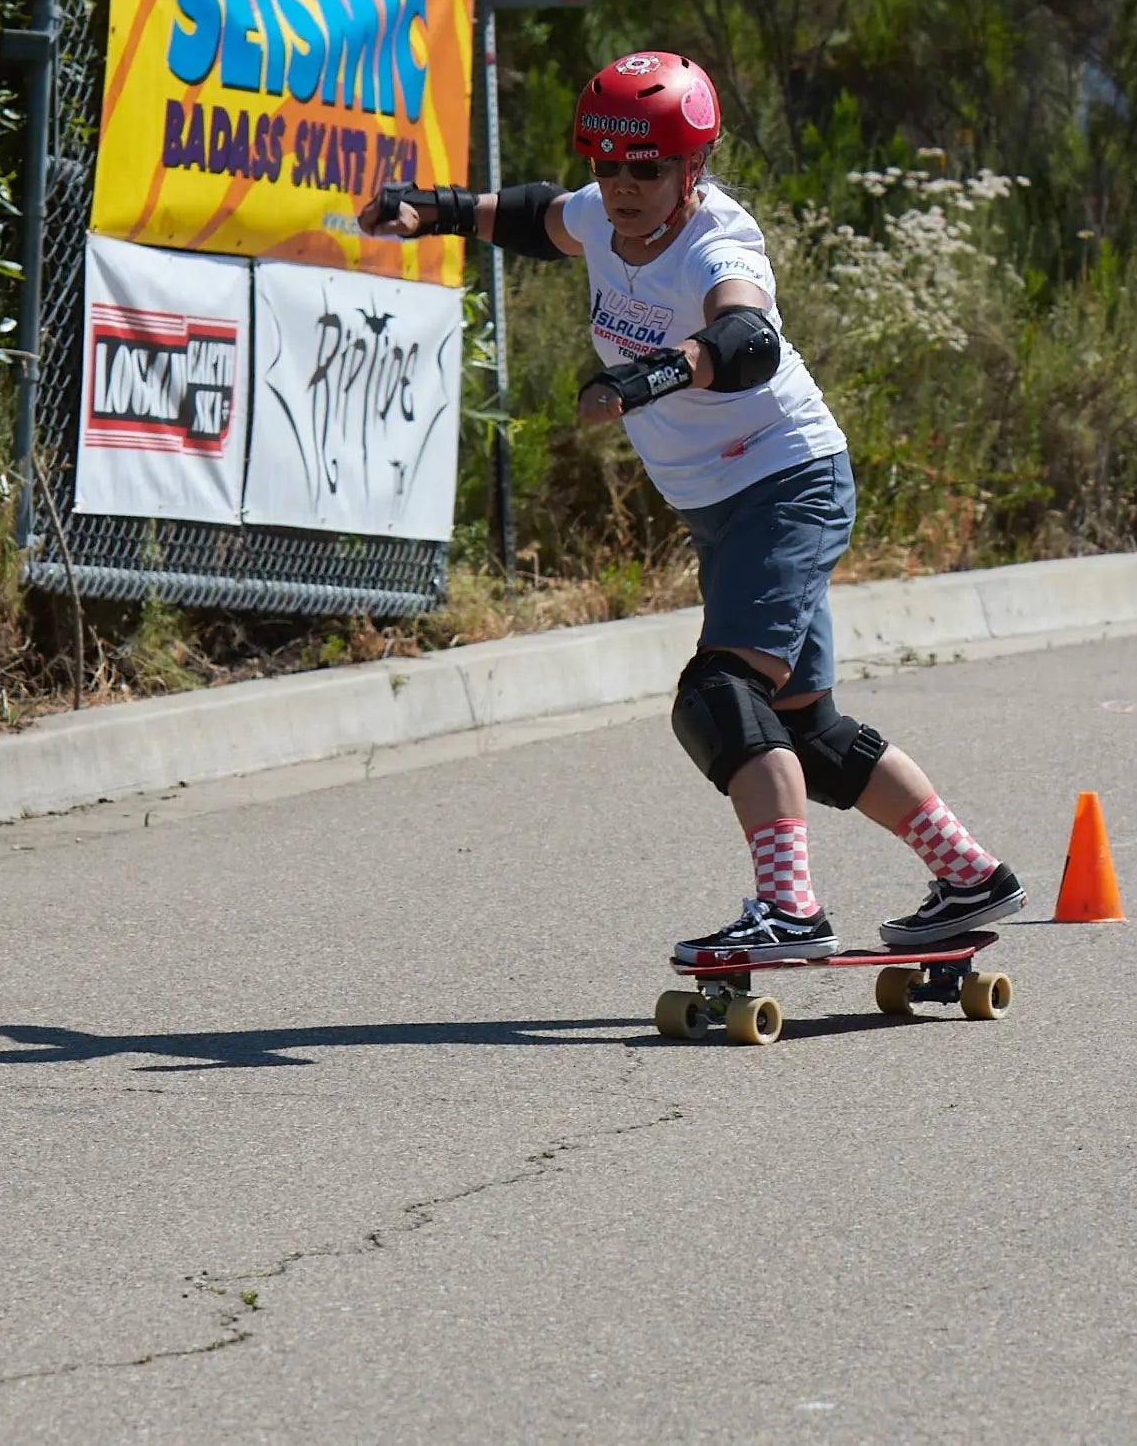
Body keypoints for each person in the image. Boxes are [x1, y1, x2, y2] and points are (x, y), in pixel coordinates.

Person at [368, 51, 1025, 965]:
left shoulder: (719, 239)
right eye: (608, 165)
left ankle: (788, 909)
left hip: (785, 482)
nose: (623, 187)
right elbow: (530, 216)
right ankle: (970, 875)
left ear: (693, 170)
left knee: (720, 697)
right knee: (805, 726)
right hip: (725, 504)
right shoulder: (601, 214)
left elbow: (747, 337)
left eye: (648, 169)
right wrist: (433, 209)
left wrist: (648, 377)